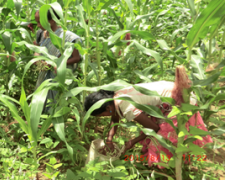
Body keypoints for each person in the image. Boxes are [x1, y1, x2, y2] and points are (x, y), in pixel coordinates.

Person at [84, 66, 213, 168]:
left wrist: (132, 142)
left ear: (107, 108)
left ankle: (171, 166)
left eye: (102, 115)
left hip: (180, 102)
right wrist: (109, 139)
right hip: (170, 98)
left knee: (164, 139)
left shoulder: (126, 106)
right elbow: (115, 117)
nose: (105, 117)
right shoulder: (116, 97)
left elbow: (154, 129)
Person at [34, 8, 82, 113]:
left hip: (58, 75)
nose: (37, 25)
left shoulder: (68, 37)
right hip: (43, 73)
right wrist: (37, 58)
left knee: (56, 102)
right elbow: (36, 49)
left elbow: (76, 58)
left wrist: (56, 63)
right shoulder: (41, 34)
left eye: (39, 22)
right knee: (41, 100)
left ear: (52, 20)